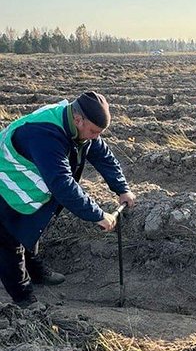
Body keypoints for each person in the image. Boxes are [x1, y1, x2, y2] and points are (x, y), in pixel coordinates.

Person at [0, 92, 136, 308]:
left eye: (98, 133)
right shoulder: (45, 134)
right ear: (78, 119)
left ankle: (35, 271)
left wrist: (122, 189)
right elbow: (62, 183)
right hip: (6, 183)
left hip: (27, 183)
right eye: (93, 131)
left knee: (32, 226)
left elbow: (103, 155)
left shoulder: (78, 126)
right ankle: (24, 299)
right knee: (9, 240)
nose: (94, 137)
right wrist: (97, 214)